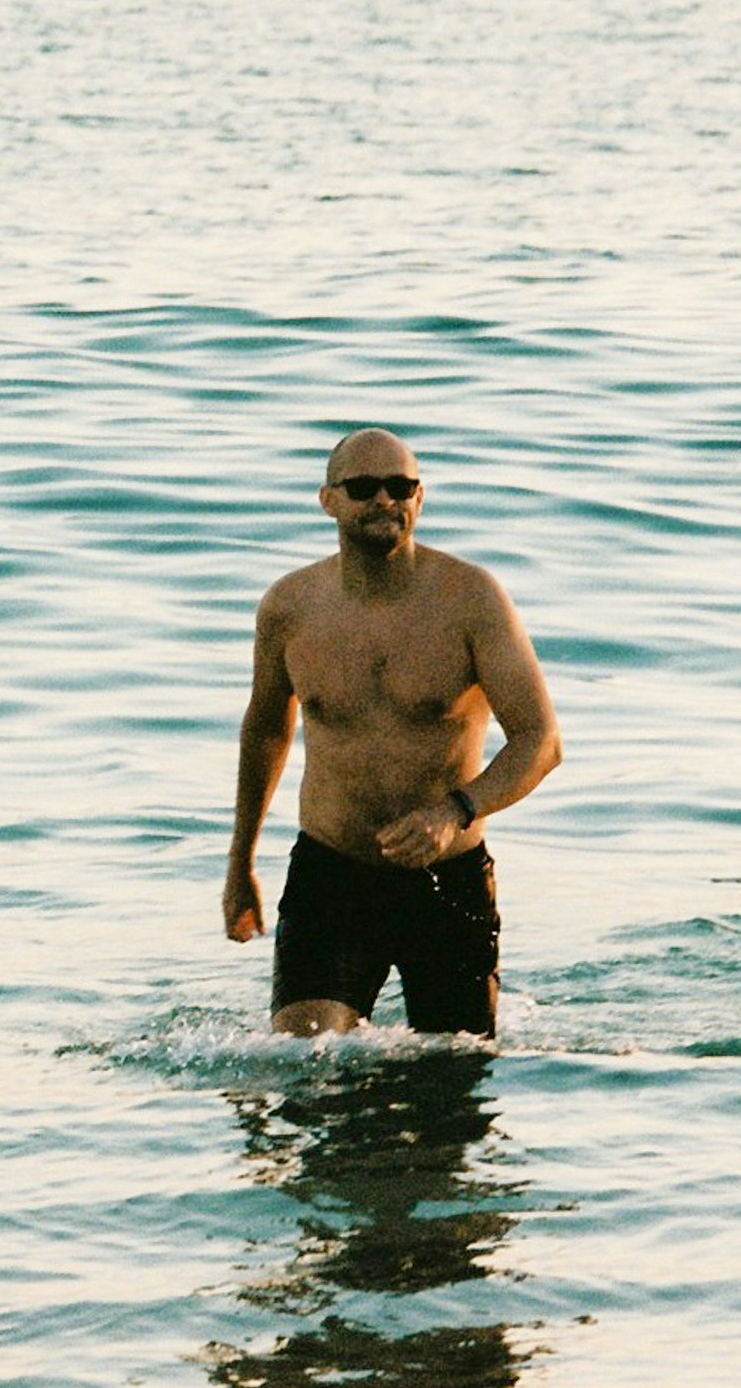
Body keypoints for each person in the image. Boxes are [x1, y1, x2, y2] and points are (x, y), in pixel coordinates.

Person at [223, 428, 560, 1038]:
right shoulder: (290, 607)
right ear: (328, 500)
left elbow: (540, 740)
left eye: (400, 487)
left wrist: (456, 809)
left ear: (420, 497)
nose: (384, 501)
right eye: (363, 488)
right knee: (303, 1070)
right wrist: (240, 861)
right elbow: (267, 729)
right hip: (332, 872)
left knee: (449, 1089)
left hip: (447, 881)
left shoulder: (471, 600)